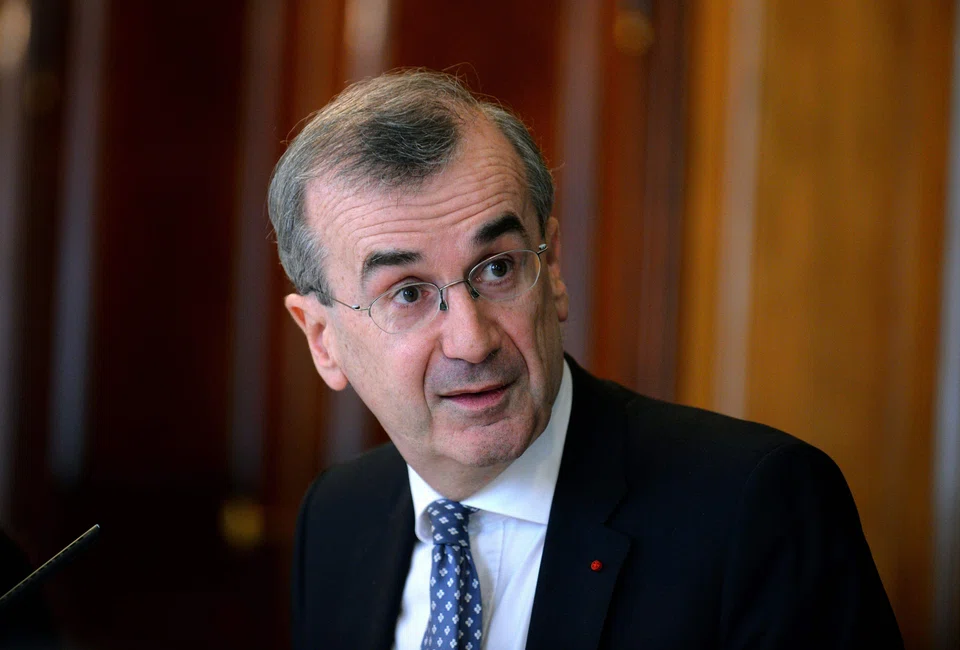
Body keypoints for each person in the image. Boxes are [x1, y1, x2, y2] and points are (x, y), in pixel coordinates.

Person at [270, 69, 902, 649]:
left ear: (553, 271)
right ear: (322, 339)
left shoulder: (754, 509)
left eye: (498, 268)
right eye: (408, 294)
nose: (472, 341)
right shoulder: (336, 516)